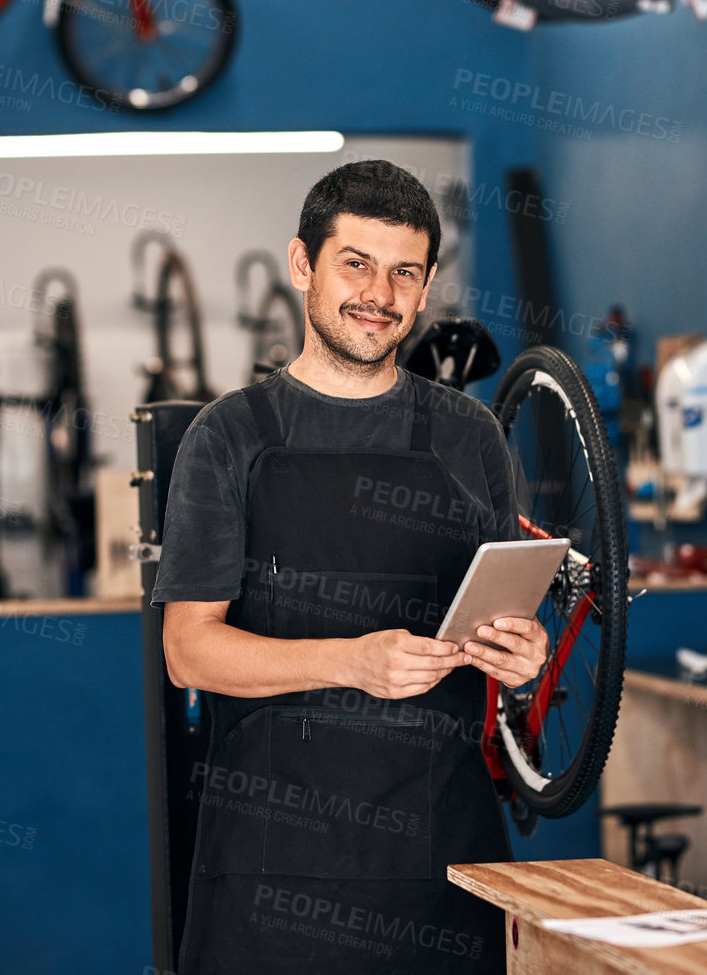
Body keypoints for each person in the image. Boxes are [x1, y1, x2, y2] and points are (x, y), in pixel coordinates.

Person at [154, 160, 548, 974]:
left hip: (442, 855)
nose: (381, 293)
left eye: (405, 272)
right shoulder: (229, 437)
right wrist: (355, 661)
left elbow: (499, 620)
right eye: (356, 264)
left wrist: (521, 657)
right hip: (275, 867)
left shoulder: (471, 435)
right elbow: (189, 649)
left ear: (429, 282)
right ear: (304, 265)